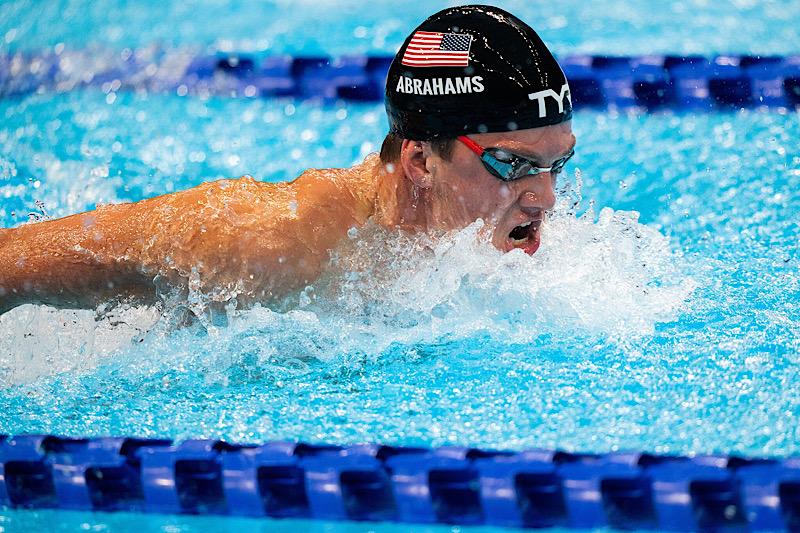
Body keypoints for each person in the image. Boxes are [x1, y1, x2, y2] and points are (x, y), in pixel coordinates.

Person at [0, 5, 576, 315]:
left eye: (558, 165)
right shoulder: (278, 238)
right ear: (420, 161)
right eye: (513, 165)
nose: (546, 197)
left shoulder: (529, 262)